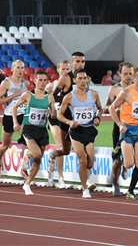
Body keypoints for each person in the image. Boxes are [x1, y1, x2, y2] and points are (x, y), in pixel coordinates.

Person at [48, 52, 96, 190]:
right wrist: (65, 102)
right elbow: (53, 96)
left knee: (87, 154)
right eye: (78, 61)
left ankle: (86, 182)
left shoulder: (86, 78)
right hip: (67, 120)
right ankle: (52, 155)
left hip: (83, 123)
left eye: (83, 62)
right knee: (66, 151)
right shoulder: (65, 78)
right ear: (72, 62)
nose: (81, 64)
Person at [109, 64, 138, 199]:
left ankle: (130, 191)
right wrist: (119, 124)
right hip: (127, 130)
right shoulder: (127, 92)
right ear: (134, 78)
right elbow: (112, 108)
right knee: (129, 164)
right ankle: (120, 147)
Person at [57, 68, 103, 199]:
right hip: (76, 131)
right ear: (75, 80)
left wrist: (97, 118)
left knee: (90, 163)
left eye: (85, 78)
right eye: (80, 78)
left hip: (89, 130)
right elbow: (59, 115)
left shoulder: (94, 94)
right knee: (82, 161)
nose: (83, 81)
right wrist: (69, 122)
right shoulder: (69, 97)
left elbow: (100, 109)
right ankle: (85, 188)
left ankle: (85, 181)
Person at [13, 70, 57, 195]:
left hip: (42, 130)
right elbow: (15, 107)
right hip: (28, 129)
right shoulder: (28, 95)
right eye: (40, 80)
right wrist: (15, 122)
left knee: (38, 160)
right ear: (35, 81)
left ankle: (27, 184)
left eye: (45, 80)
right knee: (37, 154)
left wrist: (53, 113)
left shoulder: (49, 97)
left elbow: (53, 114)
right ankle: (28, 154)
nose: (43, 83)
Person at [103, 61, 133, 196]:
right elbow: (107, 107)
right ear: (120, 74)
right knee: (117, 159)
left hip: (134, 126)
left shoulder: (136, 89)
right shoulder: (115, 89)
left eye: (130, 74)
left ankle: (126, 165)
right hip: (119, 127)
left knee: (130, 158)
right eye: (125, 73)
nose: (128, 76)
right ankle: (115, 184)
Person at [0, 60, 28, 178]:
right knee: (5, 145)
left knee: (28, 140)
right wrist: (14, 95)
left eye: (22, 68)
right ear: (12, 69)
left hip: (22, 115)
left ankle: (23, 166)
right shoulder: (6, 83)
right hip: (9, 116)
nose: (20, 70)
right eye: (18, 67)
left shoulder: (25, 83)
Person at [44, 59, 70, 188]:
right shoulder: (51, 86)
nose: (65, 71)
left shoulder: (71, 84)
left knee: (65, 148)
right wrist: (52, 110)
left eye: (67, 69)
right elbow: (47, 101)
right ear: (58, 70)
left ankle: (51, 166)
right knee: (60, 145)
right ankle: (61, 177)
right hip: (54, 118)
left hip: (66, 117)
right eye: (63, 69)